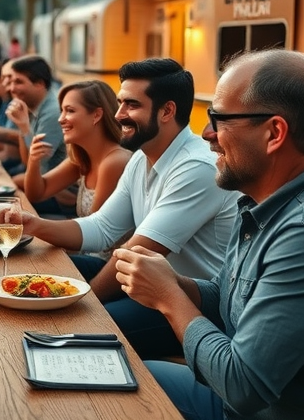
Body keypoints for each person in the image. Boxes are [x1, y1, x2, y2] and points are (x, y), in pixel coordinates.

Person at [114, 50, 304, 420]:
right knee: (111, 374)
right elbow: (227, 295)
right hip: (245, 401)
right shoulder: (266, 199)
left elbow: (244, 387)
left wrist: (169, 297)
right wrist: (173, 280)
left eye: (219, 119)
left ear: (274, 133)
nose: (208, 134)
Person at [22, 58, 237, 360]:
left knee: (86, 326)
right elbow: (102, 228)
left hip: (189, 306)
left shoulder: (197, 167)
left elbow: (139, 249)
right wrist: (32, 225)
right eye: (120, 103)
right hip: (146, 285)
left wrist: (86, 302)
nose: (119, 114)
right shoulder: (141, 156)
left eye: (131, 105)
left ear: (167, 111)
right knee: (44, 271)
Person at [23, 80, 132, 218]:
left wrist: (35, 226)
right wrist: (33, 161)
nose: (60, 119)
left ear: (97, 115)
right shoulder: (82, 158)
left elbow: (96, 229)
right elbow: (36, 194)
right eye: (61, 111)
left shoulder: (115, 161)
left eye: (70, 111)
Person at [4, 56, 67, 213]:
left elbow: (36, 163)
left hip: (59, 196)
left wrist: (24, 127)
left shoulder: (53, 112)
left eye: (18, 82)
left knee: (4, 198)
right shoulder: (33, 106)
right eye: (11, 82)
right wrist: (22, 126)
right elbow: (28, 162)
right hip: (42, 182)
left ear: (40, 84)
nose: (11, 88)